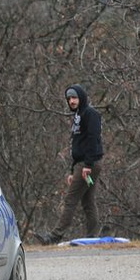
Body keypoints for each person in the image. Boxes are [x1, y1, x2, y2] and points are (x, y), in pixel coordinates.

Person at [35, 84, 104, 245]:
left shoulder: (90, 114)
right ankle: (92, 236)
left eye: (74, 98)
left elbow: (93, 139)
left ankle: (54, 236)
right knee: (88, 201)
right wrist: (73, 169)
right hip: (83, 163)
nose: (71, 101)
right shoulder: (79, 115)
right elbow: (78, 144)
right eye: (69, 99)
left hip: (89, 163)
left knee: (70, 199)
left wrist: (87, 165)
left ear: (81, 98)